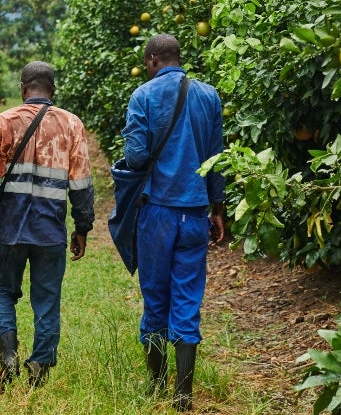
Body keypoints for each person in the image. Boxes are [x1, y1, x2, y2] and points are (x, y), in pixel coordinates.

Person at [0, 61, 94, 391]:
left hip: (10, 229)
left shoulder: (5, 121)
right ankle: (40, 365)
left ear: (23, 88)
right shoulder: (71, 125)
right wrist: (82, 227)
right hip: (50, 232)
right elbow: (81, 184)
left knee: (3, 291)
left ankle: (7, 355)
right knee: (47, 300)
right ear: (53, 90)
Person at [122, 34, 226, 411]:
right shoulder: (208, 95)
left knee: (156, 297)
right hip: (196, 213)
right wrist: (218, 208)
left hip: (158, 213)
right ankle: (183, 395)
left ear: (151, 60)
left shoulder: (144, 96)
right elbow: (217, 157)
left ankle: (155, 388)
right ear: (178, 58)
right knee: (187, 298)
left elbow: (135, 157)